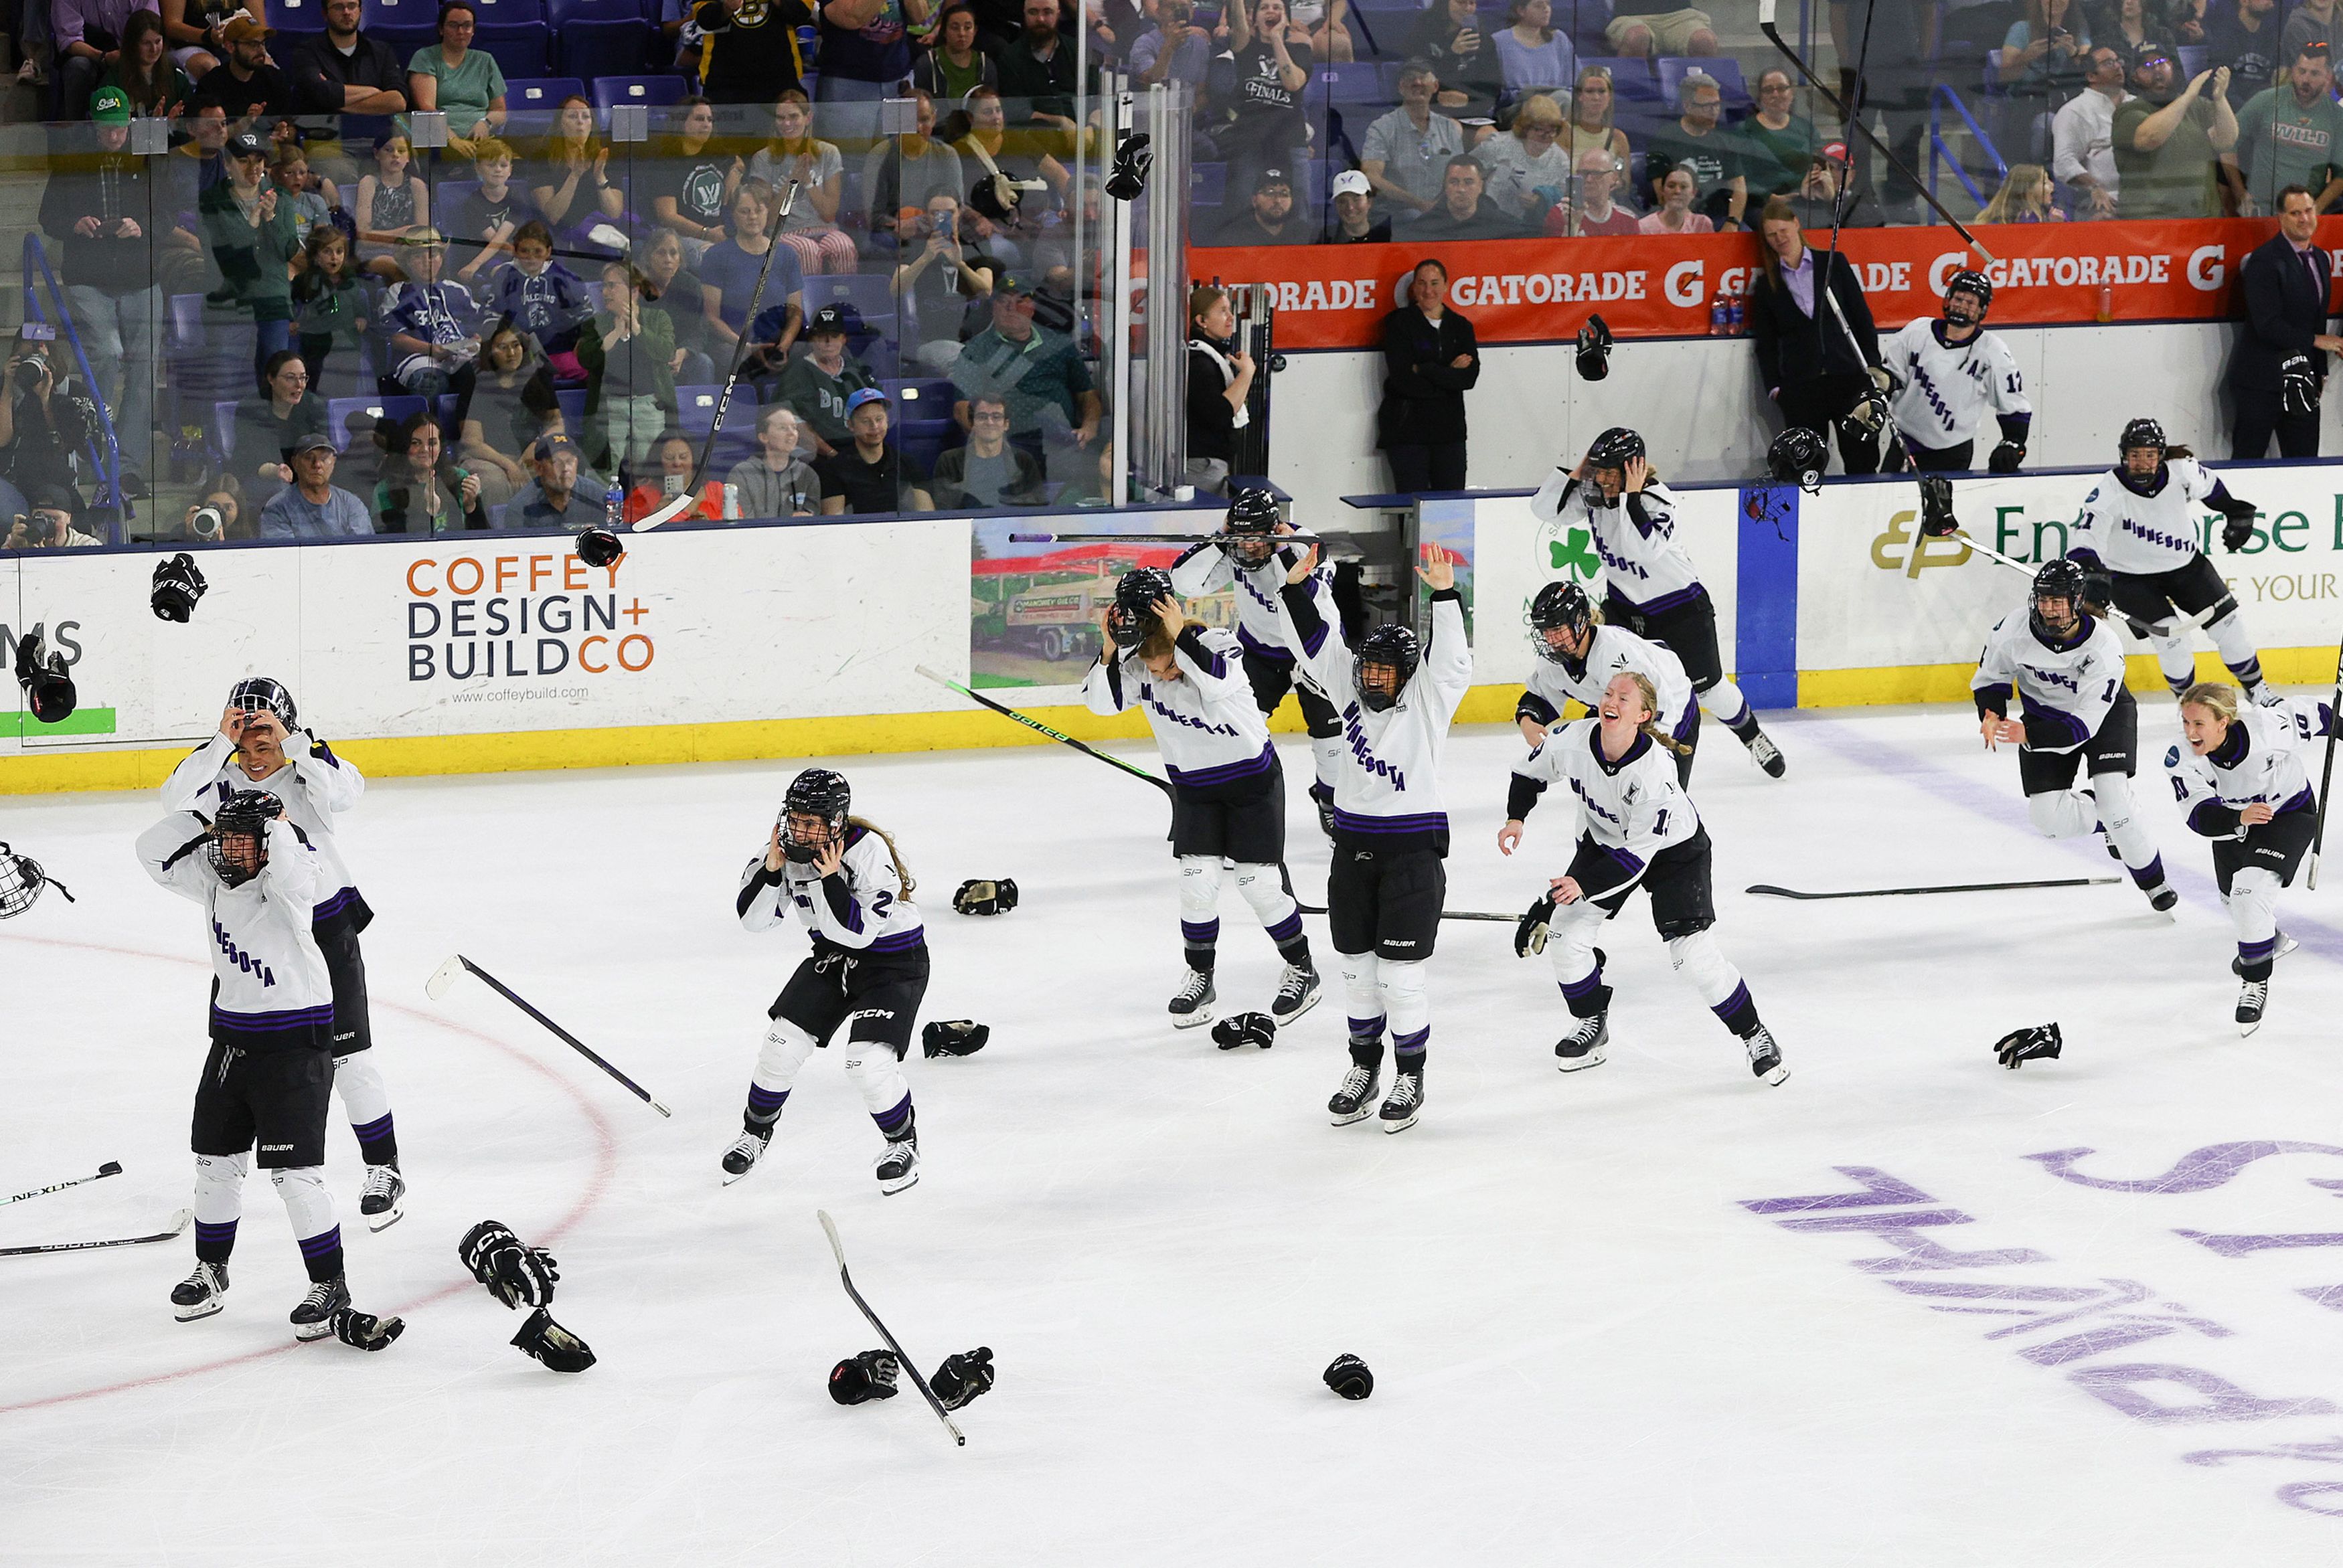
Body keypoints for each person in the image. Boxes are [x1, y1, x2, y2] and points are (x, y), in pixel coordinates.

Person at [160, 677, 406, 1230]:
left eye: (265, 739)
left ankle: (384, 1166)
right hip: (259, 941)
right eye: (243, 742)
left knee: (349, 1060)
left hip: (325, 930)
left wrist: (295, 741)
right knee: (254, 1068)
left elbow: (347, 792)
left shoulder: (306, 769)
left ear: (286, 732)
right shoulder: (218, 779)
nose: (254, 753)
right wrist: (219, 744)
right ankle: (225, 1181)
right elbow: (171, 799)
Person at [135, 790, 374, 1339]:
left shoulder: (291, 881)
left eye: (241, 840)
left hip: (295, 1050)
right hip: (231, 1045)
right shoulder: (212, 880)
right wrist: (205, 819)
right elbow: (151, 851)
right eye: (224, 839)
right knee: (215, 1164)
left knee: (295, 1176)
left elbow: (291, 873)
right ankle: (211, 1270)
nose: (227, 850)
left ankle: (329, 1282)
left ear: (268, 842)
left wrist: (279, 825)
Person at [1501, 671, 1788, 1083]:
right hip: (1606, 843)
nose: (1611, 701)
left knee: (1694, 958)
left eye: (1624, 698)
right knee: (1565, 936)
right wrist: (1516, 818)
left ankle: (1755, 1034)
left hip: (1673, 854)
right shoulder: (1572, 740)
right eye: (1608, 693)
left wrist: (1582, 885)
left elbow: (1636, 858)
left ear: (1643, 715)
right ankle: (1591, 1023)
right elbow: (1528, 772)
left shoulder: (1655, 772)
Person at [1275, 540, 1471, 1134]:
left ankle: (1411, 1075)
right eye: (1369, 668)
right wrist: (1295, 589)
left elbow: (1452, 663)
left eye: (1386, 671)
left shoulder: (1427, 700)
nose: (1373, 678)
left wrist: (1444, 595)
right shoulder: (1350, 688)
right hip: (1353, 855)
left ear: (1408, 675)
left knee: (1399, 979)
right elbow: (1316, 643)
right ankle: (1364, 1069)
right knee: (1358, 975)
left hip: (1412, 854)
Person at [1080, 568, 1321, 1028]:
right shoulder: (1139, 662)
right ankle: (1201, 978)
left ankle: (1302, 968)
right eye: (1155, 670)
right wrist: (1110, 649)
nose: (1163, 675)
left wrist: (1181, 638)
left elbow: (1216, 682)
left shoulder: (1218, 644)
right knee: (1196, 884)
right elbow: (1101, 704)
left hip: (1251, 784)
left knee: (1257, 883)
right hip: (1196, 790)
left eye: (1168, 666)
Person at [1530, 427, 1787, 775]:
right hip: (1625, 610)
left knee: (1709, 691)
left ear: (1633, 468)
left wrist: (1631, 497)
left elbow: (1643, 550)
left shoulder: (1656, 499)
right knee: (1615, 686)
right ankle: (1616, 759)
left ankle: (1752, 735)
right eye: (1598, 471)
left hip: (1679, 610)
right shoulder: (1597, 494)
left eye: (1609, 472)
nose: (1602, 480)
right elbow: (1545, 509)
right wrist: (1577, 473)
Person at [723, 769, 929, 1193]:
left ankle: (902, 1144)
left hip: (893, 965)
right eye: (795, 818)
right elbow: (755, 922)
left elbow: (858, 934)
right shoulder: (780, 851)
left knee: (867, 1064)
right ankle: (754, 1134)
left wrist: (830, 880)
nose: (801, 830)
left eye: (812, 822)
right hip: (834, 958)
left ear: (836, 821)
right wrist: (772, 871)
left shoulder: (867, 852)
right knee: (780, 1046)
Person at [1972, 557, 2178, 913]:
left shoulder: (2104, 646)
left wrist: (2029, 734)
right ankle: (2108, 820)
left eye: (2058, 601)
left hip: (2104, 717)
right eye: (2044, 599)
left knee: (2115, 799)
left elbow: (2084, 727)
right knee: (2048, 820)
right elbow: (1992, 677)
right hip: (2043, 717)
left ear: (2078, 601)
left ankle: (2154, 883)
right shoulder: (2012, 630)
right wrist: (1992, 712)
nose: (2049, 609)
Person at [1166, 493, 1346, 830]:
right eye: (1241, 539)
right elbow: (1183, 582)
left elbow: (1311, 599)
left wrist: (1284, 553)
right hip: (1260, 653)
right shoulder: (1235, 549)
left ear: (1275, 530)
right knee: (1236, 732)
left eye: (1257, 539)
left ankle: (1331, 801)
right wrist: (1220, 541)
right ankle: (1236, 803)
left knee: (1332, 739)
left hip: (1316, 652)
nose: (1248, 548)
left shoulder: (1306, 547)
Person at [2168, 681, 2337, 1033]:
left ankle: (2254, 983)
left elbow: (2322, 716)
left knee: (2249, 894)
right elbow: (2198, 816)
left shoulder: (2268, 727)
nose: (2190, 732)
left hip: (2288, 814)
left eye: (2198, 724)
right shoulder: (2182, 757)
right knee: (2233, 902)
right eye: (2185, 722)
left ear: (2223, 722)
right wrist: (2238, 818)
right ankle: (2271, 940)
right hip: (2235, 825)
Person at [2069, 418, 2274, 701]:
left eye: (2150, 455)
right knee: (2174, 643)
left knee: (2231, 628)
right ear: (2124, 456)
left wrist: (2236, 512)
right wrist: (2093, 575)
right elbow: (2084, 542)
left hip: (2187, 569)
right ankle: (2188, 703)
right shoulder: (2109, 490)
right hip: (2130, 580)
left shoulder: (2182, 471)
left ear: (2161, 455)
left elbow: (2212, 488)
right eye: (2135, 455)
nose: (2142, 463)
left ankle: (2257, 690)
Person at [42, 88, 160, 495]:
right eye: (107, 129)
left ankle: (125, 465)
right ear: (94, 125)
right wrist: (74, 224)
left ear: (130, 123)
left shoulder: (147, 157)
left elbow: (167, 213)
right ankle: (95, 447)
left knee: (144, 368)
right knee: (107, 354)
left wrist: (141, 226)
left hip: (141, 277)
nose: (114, 136)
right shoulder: (73, 161)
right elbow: (48, 216)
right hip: (89, 278)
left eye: (120, 128)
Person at [1748, 196, 1888, 476]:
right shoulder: (1767, 285)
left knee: (1862, 460)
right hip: (1802, 387)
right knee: (1807, 469)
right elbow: (1766, 343)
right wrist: (1776, 389)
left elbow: (1861, 318)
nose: (1779, 239)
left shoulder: (1833, 263)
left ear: (1796, 224)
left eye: (1783, 231)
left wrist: (1872, 365)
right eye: (1772, 235)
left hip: (1849, 379)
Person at [1516, 580, 1702, 786]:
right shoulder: (1552, 662)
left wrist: (1649, 755)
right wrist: (1528, 721)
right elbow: (1541, 695)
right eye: (1545, 631)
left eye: (1557, 629)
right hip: (1620, 710)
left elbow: (1661, 703)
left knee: (1660, 794)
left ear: (1579, 621)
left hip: (1676, 706)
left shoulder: (1614, 653)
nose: (1551, 639)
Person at [2230, 184, 2343, 458]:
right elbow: (2267, 324)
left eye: (2309, 211)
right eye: (2295, 213)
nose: (2305, 219)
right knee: (2247, 464)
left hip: (2303, 382)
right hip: (2261, 383)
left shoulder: (2320, 258)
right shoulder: (2264, 261)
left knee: (2304, 465)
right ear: (2281, 217)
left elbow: (2316, 319)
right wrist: (2316, 341)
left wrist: (2318, 372)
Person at [949, 277, 1101, 480]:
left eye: (1020, 301)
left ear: (1032, 308)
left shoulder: (1059, 344)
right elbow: (961, 408)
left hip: (1061, 443)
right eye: (1003, 302)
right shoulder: (976, 351)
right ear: (994, 308)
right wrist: (990, 443)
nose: (1011, 308)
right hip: (1006, 446)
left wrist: (1090, 426)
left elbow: (1087, 394)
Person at [1882, 270, 2034, 471]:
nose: (1962, 306)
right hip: (1903, 442)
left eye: (1970, 302)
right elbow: (1890, 376)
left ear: (1982, 309)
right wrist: (1876, 395)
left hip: (1951, 452)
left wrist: (2013, 441)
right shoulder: (1917, 331)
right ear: (1949, 299)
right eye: (1958, 299)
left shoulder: (1993, 352)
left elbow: (2014, 404)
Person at [202, 130, 300, 388]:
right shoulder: (212, 201)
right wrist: (253, 221)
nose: (253, 167)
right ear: (227, 165)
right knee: (226, 380)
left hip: (272, 298)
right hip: (231, 300)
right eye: (244, 161)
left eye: (259, 160)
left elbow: (288, 250)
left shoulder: (281, 199)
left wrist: (271, 219)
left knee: (277, 377)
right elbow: (225, 254)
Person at [1376, 258, 1479, 492]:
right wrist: (1449, 374)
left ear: (1446, 286)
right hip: (1407, 434)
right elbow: (1402, 380)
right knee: (1410, 505)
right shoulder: (1398, 324)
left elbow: (1468, 378)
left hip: (1449, 434)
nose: (1428, 291)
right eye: (1422, 283)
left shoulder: (1461, 327)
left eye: (1434, 283)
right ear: (1413, 287)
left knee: (1452, 506)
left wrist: (1424, 369)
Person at [284, 0, 409, 186]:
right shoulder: (307, 52)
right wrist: (375, 92)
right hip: (327, 142)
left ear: (360, 10)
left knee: (402, 170)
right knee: (341, 173)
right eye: (338, 7)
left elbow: (398, 101)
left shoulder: (381, 51)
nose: (346, 12)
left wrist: (334, 98)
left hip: (378, 141)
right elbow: (320, 93)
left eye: (352, 6)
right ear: (325, 14)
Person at [579, 260, 683, 478]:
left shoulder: (657, 318)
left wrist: (637, 329)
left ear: (634, 291)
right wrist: (616, 333)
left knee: (651, 472)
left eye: (612, 286)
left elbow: (666, 352)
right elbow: (587, 359)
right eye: (604, 286)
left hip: (648, 405)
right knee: (603, 473)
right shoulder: (597, 322)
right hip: (610, 407)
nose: (605, 292)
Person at [698, 181, 807, 385]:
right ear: (733, 215)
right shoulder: (716, 256)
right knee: (743, 362)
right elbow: (712, 318)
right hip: (734, 344)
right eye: (745, 211)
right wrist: (746, 347)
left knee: (816, 352)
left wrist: (782, 347)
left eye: (758, 210)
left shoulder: (786, 255)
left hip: (778, 342)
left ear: (767, 212)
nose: (753, 217)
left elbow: (795, 313)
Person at [2113, 48, 2235, 217]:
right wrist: (2188, 96)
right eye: (2146, 66)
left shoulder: (2198, 105)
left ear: (2172, 66)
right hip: (2150, 220)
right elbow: (2149, 138)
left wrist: (2220, 99)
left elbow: (2227, 140)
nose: (2156, 70)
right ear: (2135, 77)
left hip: (2202, 217)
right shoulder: (2128, 111)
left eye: (2161, 62)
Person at [750, 90, 862, 275]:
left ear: (808, 118)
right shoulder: (763, 159)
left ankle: (841, 295)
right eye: (781, 118)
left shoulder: (829, 153)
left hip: (825, 229)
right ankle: (805, 296)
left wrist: (808, 183)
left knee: (844, 247)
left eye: (793, 117)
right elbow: (768, 219)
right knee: (807, 250)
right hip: (784, 232)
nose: (787, 124)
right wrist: (792, 182)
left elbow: (829, 214)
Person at [2224, 44, 2343, 214]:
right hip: (2262, 211)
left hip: (2305, 215)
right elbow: (2227, 143)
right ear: (2293, 71)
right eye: (2302, 71)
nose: (2306, 80)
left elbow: (2341, 175)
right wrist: (2240, 194)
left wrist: (2316, 209)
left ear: (2328, 77)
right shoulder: (2266, 101)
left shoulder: (2337, 117)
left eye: (2314, 73)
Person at [1216, 0, 1314, 194]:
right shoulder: (1245, 46)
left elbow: (1293, 83)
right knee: (1243, 202)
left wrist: (1276, 38)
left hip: (1290, 141)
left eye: (1277, 8)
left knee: (1299, 203)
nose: (1270, 11)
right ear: (1254, 19)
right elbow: (1238, 21)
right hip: (1249, 142)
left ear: (1287, 19)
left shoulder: (1301, 51)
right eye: (1264, 8)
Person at [461, 323, 562, 505]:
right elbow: (471, 441)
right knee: (495, 482)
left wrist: (538, 444)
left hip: (528, 456)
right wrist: (508, 465)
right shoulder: (476, 381)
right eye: (503, 347)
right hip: (486, 458)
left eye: (516, 345)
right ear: (490, 352)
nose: (512, 353)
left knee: (554, 471)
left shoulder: (538, 377)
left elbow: (557, 424)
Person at [380, 229, 484, 404]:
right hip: (419, 357)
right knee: (429, 380)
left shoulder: (457, 290)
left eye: (432, 255)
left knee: (486, 371)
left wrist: (478, 340)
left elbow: (480, 326)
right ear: (408, 262)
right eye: (418, 257)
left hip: (460, 356)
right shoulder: (399, 292)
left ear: (441, 259)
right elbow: (396, 337)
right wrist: (432, 350)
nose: (426, 262)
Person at [893, 193, 995, 371]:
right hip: (932, 341)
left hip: (976, 342)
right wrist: (925, 258)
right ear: (926, 216)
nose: (942, 218)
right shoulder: (915, 248)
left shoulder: (976, 247)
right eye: (935, 213)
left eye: (949, 212)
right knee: (961, 362)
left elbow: (985, 290)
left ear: (959, 213)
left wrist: (960, 264)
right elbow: (896, 288)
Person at [1360, 60, 1468, 222]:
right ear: (1401, 88)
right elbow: (1371, 176)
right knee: (1414, 217)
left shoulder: (1449, 128)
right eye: (1411, 78)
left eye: (1423, 78)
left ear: (1435, 86)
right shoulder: (1382, 127)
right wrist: (1419, 204)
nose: (1417, 82)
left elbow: (1461, 174)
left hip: (1444, 210)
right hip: (1398, 212)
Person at [863, 90, 967, 253]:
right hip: (894, 236)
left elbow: (956, 209)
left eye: (924, 120)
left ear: (934, 119)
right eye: (910, 121)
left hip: (939, 232)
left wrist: (918, 223)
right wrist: (903, 226)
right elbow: (873, 217)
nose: (918, 128)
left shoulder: (947, 154)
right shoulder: (880, 155)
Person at [1645, 71, 1747, 230]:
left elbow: (1739, 188)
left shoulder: (1725, 140)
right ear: (1688, 106)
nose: (1714, 111)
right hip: (1681, 219)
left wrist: (1733, 222)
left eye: (1717, 104)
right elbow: (1662, 194)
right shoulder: (1665, 140)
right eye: (1707, 106)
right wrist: (1691, 224)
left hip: (1720, 217)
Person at [0, 335, 90, 508]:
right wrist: (8, 387)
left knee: (61, 507)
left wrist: (46, 402)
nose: (32, 365)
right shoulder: (5, 386)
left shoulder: (71, 391)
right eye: (25, 359)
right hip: (11, 478)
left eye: (38, 358)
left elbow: (65, 445)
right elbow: (2, 440)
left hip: (53, 479)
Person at [406, 1, 506, 157]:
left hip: (481, 142)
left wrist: (485, 123)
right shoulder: (425, 57)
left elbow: (500, 110)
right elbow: (426, 108)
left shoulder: (485, 60)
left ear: (473, 30)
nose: (461, 31)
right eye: (453, 25)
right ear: (441, 29)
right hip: (437, 141)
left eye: (467, 26)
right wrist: (452, 139)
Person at [781, 304, 882, 458]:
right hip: (820, 455)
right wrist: (832, 455)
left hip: (861, 447)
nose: (828, 342)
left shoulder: (856, 367)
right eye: (821, 336)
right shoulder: (799, 372)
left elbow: (878, 408)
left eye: (834, 336)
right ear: (812, 339)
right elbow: (793, 422)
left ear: (844, 339)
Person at [1182, 285, 1256, 495]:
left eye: (1230, 310)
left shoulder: (1208, 357)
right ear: (1201, 320)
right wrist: (1247, 373)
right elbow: (1220, 414)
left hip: (1208, 463)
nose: (1231, 317)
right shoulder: (1199, 362)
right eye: (1223, 311)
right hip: (1202, 466)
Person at [655, 96, 746, 262]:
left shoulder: (716, 153)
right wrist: (706, 233)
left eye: (710, 120)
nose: (706, 125)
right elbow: (668, 216)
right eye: (699, 119)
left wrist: (735, 171)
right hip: (683, 238)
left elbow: (739, 163)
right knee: (722, 261)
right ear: (681, 122)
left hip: (721, 234)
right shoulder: (666, 161)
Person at [527, 94, 625, 248]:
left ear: (592, 125)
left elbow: (614, 214)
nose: (580, 121)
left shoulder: (604, 158)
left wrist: (600, 177)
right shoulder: (541, 159)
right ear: (560, 124)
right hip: (560, 235)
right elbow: (552, 216)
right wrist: (575, 175)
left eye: (586, 117)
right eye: (573, 116)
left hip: (601, 234)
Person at [820, 387, 935, 513]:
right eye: (865, 421)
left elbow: (926, 515)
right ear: (851, 425)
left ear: (887, 420)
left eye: (879, 419)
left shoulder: (907, 464)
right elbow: (834, 519)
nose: (874, 426)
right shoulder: (834, 470)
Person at [374, 408, 486, 533]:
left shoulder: (460, 478)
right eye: (416, 443)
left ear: (441, 447)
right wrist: (427, 513)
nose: (425, 449)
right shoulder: (385, 489)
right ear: (405, 446)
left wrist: (471, 506)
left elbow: (484, 535)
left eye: (432, 443)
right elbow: (389, 539)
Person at [232, 349, 329, 491]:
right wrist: (276, 471)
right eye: (290, 378)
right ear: (271, 379)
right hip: (260, 476)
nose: (299, 385)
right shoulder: (251, 408)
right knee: (279, 487)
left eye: (303, 378)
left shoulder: (314, 405)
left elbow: (322, 448)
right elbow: (250, 458)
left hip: (305, 474)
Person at [930, 391, 1044, 507]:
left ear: (1006, 424)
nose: (990, 422)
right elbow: (944, 508)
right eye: (982, 417)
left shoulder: (1023, 461)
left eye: (996, 417)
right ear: (972, 423)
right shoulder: (949, 461)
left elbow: (1036, 506)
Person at [446, 137, 532, 287]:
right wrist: (475, 264)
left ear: (510, 170)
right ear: (478, 168)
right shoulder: (473, 203)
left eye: (503, 165)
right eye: (491, 165)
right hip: (488, 257)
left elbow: (504, 234)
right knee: (506, 274)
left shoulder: (517, 197)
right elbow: (496, 241)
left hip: (517, 253)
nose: (498, 170)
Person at [640, 226, 720, 386]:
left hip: (680, 355)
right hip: (645, 356)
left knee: (703, 363)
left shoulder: (690, 285)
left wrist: (684, 352)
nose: (668, 259)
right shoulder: (637, 288)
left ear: (680, 258)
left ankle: (701, 403)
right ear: (649, 257)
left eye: (673, 253)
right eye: (661, 253)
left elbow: (699, 331)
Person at [2054, 43, 2129, 214]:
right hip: (2103, 200)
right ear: (2091, 76)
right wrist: (2095, 187)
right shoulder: (2075, 111)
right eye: (2108, 63)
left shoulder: (2135, 103)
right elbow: (2064, 161)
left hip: (2144, 197)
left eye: (2118, 61)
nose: (2117, 66)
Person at [1476, 91, 1574, 222]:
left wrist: (1541, 201)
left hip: (1535, 227)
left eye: (1552, 131)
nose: (1546, 137)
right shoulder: (1497, 145)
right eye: (1539, 130)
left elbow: (1564, 200)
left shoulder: (1561, 160)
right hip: (1491, 221)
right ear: (1525, 127)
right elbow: (1468, 172)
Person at [291, 224, 366, 391]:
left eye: (339, 252)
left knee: (346, 388)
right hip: (316, 345)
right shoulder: (305, 281)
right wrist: (292, 321)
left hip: (347, 346)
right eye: (327, 252)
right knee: (315, 387)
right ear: (315, 255)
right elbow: (289, 301)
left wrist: (361, 317)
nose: (334, 258)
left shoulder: (351, 280)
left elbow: (359, 302)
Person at [696, 0, 814, 104]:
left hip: (780, 76)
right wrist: (726, 9)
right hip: (724, 79)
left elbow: (802, 13)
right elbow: (703, 19)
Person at [259, 432, 373, 537]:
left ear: (333, 463)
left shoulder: (352, 505)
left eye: (324, 458)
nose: (317, 464)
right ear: (295, 463)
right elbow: (285, 551)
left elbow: (362, 548)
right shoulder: (278, 508)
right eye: (309, 458)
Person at [1409, 0, 1504, 122]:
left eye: (1472, 3)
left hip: (1472, 112)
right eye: (1461, 2)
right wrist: (1452, 54)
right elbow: (1417, 76)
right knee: (1453, 128)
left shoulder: (1484, 40)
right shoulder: (1424, 32)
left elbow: (1493, 88)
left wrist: (1469, 100)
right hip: (1433, 109)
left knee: (1488, 133)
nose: (1467, 8)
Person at [187, 12, 293, 120]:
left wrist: (283, 130)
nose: (262, 50)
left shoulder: (275, 79)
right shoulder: (211, 85)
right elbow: (205, 129)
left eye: (263, 43)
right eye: (253, 44)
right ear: (230, 47)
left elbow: (290, 124)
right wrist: (243, 125)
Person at [1739, 68, 1821, 203]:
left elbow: (1820, 166)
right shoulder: (1745, 130)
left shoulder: (1807, 129)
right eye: (1768, 90)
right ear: (1760, 96)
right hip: (1762, 204)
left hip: (1806, 202)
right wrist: (1771, 199)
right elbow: (1739, 178)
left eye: (1782, 88)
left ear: (1792, 93)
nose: (1775, 95)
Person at [996, 0, 1078, 133]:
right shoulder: (1010, 57)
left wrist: (1091, 128)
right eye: (1033, 12)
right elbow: (1017, 111)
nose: (1040, 19)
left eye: (1048, 12)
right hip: (1035, 135)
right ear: (1024, 14)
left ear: (1058, 14)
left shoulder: (1077, 51)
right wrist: (1060, 121)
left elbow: (1095, 99)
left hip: (1082, 133)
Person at [726, 404, 823, 515]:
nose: (792, 433)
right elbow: (743, 521)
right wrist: (789, 521)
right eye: (783, 428)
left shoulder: (807, 474)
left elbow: (813, 519)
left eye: (794, 428)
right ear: (764, 437)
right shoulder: (742, 473)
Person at [92, 10, 193, 117]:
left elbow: (190, 120)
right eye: (146, 43)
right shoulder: (113, 81)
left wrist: (171, 123)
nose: (154, 49)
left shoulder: (176, 78)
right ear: (132, 44)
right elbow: (105, 124)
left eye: (158, 41)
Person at [353, 129, 428, 267]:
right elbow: (363, 235)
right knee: (391, 263)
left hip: (410, 252)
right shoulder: (369, 183)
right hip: (374, 252)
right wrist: (401, 234)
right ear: (377, 154)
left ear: (408, 157)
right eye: (389, 150)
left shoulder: (417, 185)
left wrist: (407, 239)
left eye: (401, 151)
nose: (395, 155)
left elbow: (421, 234)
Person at [1409, 153, 1524, 237]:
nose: (1461, 189)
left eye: (1469, 182)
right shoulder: (1423, 228)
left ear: (1481, 186)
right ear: (1445, 186)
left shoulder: (1505, 227)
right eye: (1454, 182)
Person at [510, 432, 606, 529]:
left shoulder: (598, 499)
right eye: (556, 462)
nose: (565, 468)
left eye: (570, 461)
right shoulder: (521, 508)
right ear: (539, 468)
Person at [624, 430, 723, 523]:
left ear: (694, 460)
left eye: (683, 457)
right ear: (658, 461)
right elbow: (628, 529)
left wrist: (710, 527)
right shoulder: (642, 495)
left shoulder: (717, 491)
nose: (677, 463)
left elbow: (732, 525)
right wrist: (655, 516)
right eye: (669, 458)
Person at [913, 3, 999, 98]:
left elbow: (992, 102)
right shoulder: (927, 64)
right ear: (944, 31)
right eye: (955, 28)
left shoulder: (986, 65)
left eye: (968, 28)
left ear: (975, 31)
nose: (962, 34)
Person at [2203, 0, 2279, 108]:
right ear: (2244, 1)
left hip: (2262, 108)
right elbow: (2219, 82)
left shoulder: (2272, 37)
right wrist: (2245, 110)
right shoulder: (2224, 37)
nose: (2270, 2)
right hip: (2230, 108)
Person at [1493, 0, 1573, 98]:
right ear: (1521, 11)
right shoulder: (1500, 41)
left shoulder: (1559, 39)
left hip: (1557, 103)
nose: (1546, 10)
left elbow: (1575, 82)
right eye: (1538, 6)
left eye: (1548, 4)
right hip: (1518, 103)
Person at [1560, 64, 1634, 169]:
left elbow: (1624, 178)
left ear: (1609, 96)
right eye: (1590, 91)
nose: (1596, 97)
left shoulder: (1618, 139)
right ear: (1579, 95)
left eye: (1602, 91)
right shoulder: (1564, 132)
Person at [1553, 147, 1640, 235]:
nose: (1589, 180)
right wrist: (1572, 226)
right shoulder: (1561, 215)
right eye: (1583, 173)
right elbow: (1560, 244)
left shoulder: (1628, 220)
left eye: (1597, 173)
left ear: (1614, 177)